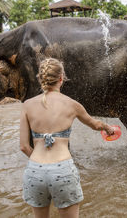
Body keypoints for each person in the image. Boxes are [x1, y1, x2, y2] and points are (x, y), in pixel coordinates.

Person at [20, 58, 115, 218]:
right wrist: (108, 128)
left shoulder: (27, 105)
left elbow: (23, 146)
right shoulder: (72, 104)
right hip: (62, 170)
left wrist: (40, 164)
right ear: (61, 78)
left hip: (34, 171)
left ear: (40, 78)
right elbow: (94, 124)